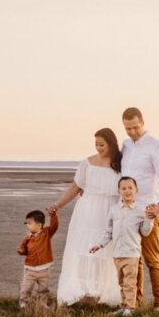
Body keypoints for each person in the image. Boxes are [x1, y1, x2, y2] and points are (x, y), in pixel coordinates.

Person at [49, 128, 121, 306]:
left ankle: (104, 293)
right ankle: (84, 290)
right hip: (87, 211)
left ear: (111, 144)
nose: (98, 148)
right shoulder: (87, 163)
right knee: (84, 250)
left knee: (108, 253)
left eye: (102, 144)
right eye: (96, 144)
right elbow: (75, 187)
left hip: (112, 211)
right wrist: (58, 205)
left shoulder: (121, 163)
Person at [120, 107, 159, 311]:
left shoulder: (156, 146)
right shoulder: (125, 145)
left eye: (134, 127)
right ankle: (136, 301)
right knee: (134, 258)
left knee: (152, 258)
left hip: (147, 210)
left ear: (142, 122)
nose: (131, 132)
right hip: (127, 209)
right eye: (127, 128)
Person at [90, 176, 154, 316]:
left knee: (130, 283)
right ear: (119, 191)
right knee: (121, 282)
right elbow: (109, 232)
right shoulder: (114, 210)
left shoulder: (140, 211)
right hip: (117, 253)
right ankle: (124, 306)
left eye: (130, 188)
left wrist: (149, 219)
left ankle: (130, 309)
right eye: (123, 188)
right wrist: (98, 244)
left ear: (136, 190)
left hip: (132, 253)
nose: (127, 191)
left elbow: (145, 231)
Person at [17, 209, 58, 308]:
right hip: (30, 269)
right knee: (26, 288)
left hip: (44, 269)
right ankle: (24, 302)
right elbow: (24, 250)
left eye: (30, 223)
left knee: (43, 289)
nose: (27, 225)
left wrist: (53, 215)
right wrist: (21, 251)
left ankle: (42, 303)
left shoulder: (46, 234)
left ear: (39, 225)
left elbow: (54, 226)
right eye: (26, 223)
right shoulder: (27, 238)